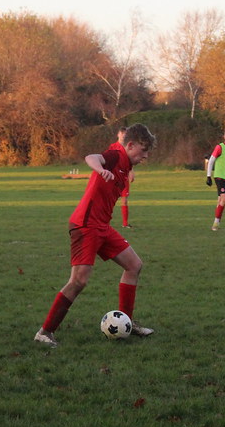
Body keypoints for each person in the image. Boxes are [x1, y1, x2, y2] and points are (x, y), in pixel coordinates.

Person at [34, 123, 156, 347]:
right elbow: (92, 157)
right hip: (86, 225)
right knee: (79, 281)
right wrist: (100, 169)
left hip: (102, 226)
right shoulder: (115, 155)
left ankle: (126, 322)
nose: (146, 156)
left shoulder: (125, 162)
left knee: (134, 265)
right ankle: (45, 332)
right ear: (130, 146)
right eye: (143, 151)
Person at [205, 129, 225, 231]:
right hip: (219, 177)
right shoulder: (220, 147)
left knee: (220, 201)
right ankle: (216, 222)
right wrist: (208, 176)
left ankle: (215, 223)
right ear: (224, 136)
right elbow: (211, 161)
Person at [112, 127, 135, 229]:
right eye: (122, 134)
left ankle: (125, 224)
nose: (124, 136)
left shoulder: (127, 147)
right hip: (114, 178)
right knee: (109, 201)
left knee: (124, 200)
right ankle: (101, 222)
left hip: (124, 177)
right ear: (118, 135)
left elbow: (130, 161)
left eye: (125, 135)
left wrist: (131, 171)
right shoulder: (113, 147)